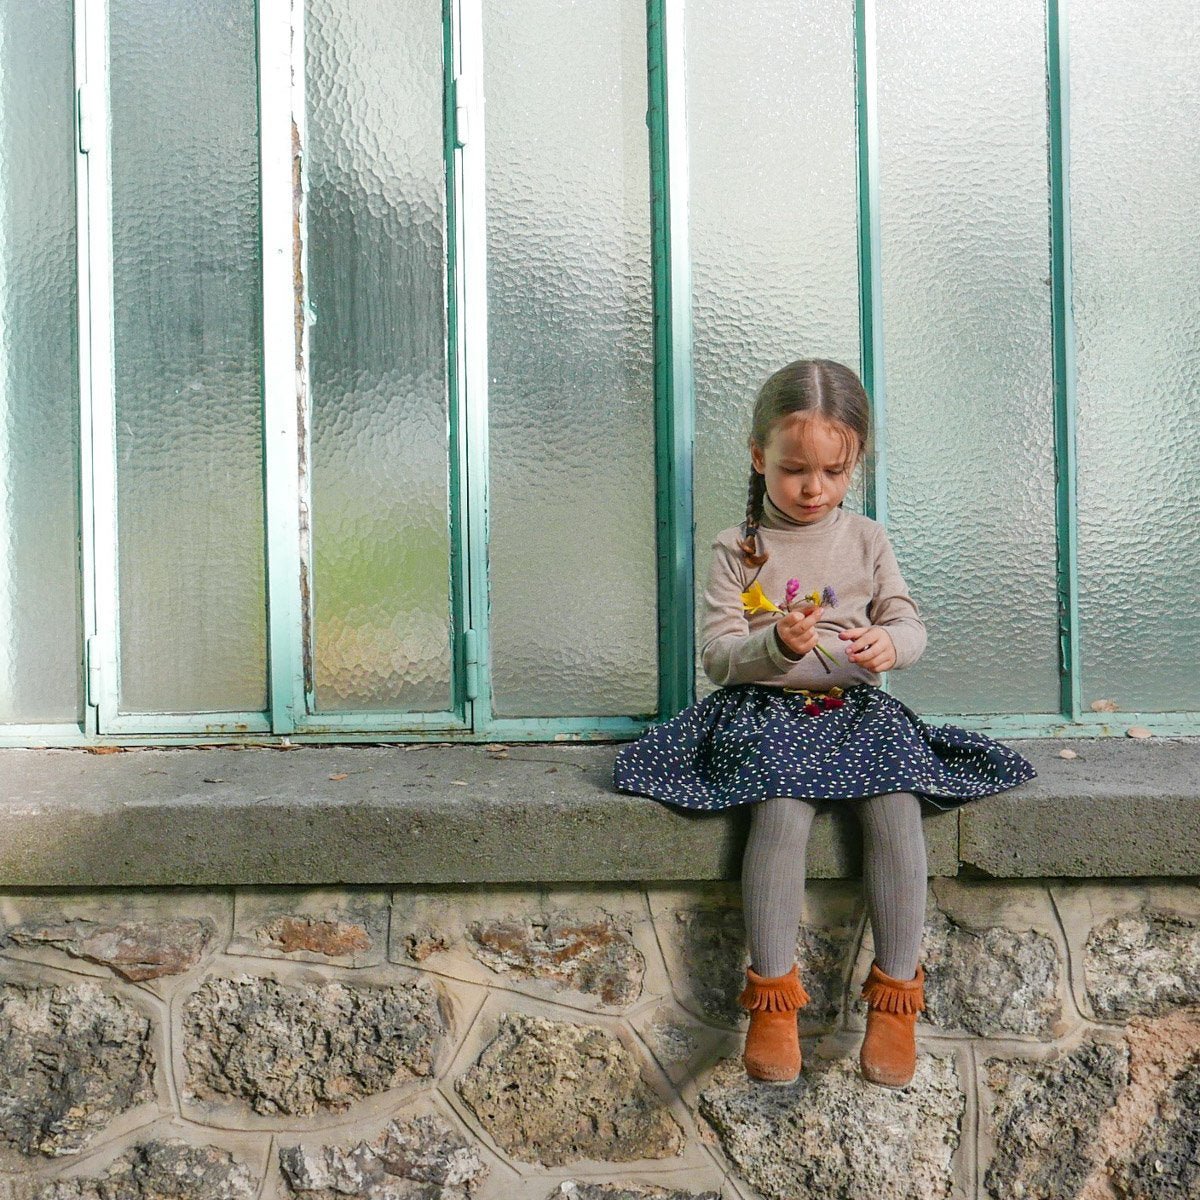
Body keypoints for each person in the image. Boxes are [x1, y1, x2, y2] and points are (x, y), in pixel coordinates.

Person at [613, 358, 1036, 1089]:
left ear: (854, 463)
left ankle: (896, 996)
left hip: (855, 712)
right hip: (767, 712)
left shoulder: (867, 539)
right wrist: (775, 646)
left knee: (896, 808)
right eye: (794, 470)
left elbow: (907, 621)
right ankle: (772, 999)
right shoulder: (737, 549)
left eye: (833, 472)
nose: (814, 489)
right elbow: (718, 656)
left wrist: (890, 645)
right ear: (759, 457)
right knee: (779, 809)